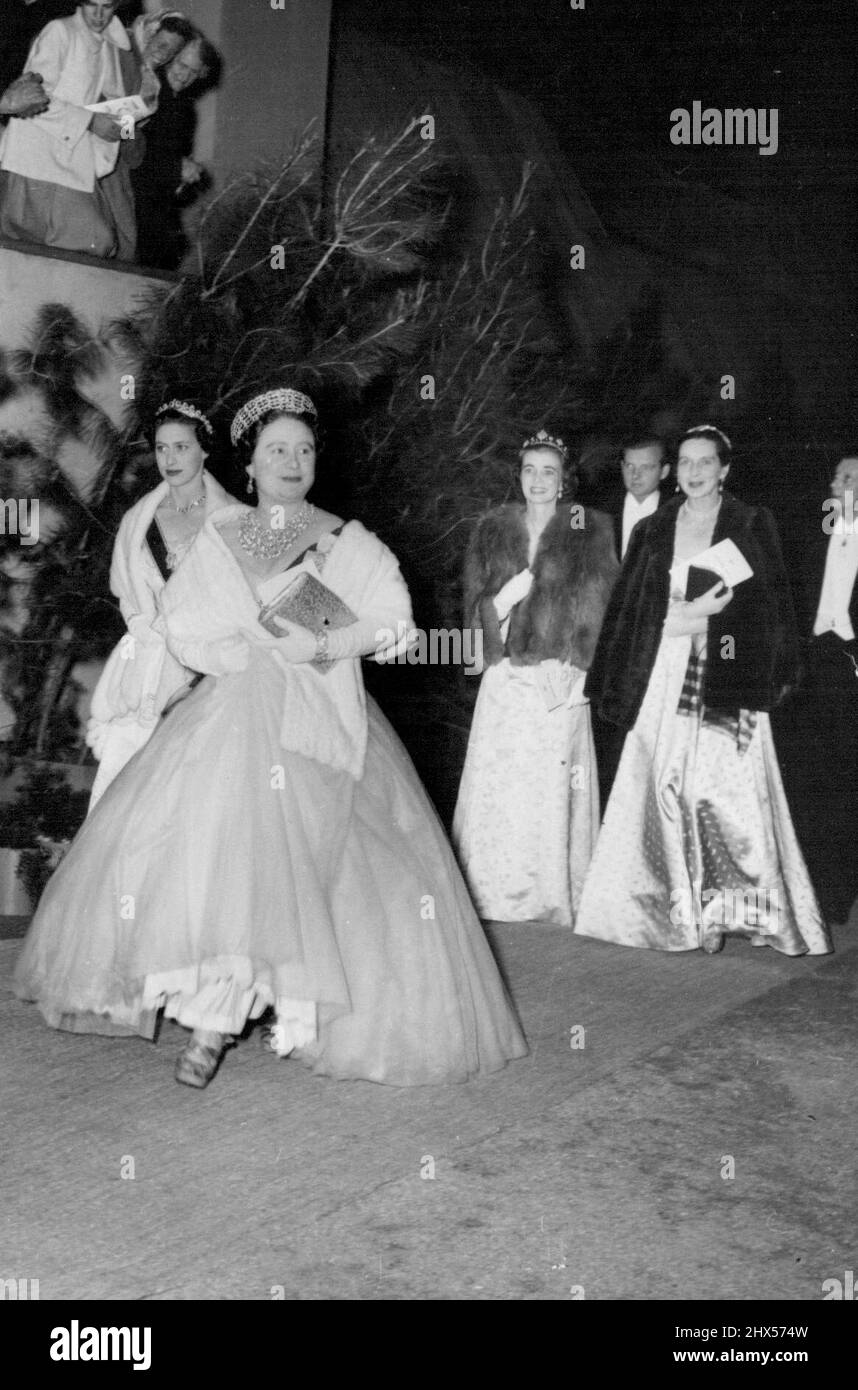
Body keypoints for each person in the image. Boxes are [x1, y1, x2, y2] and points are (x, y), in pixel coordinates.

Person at [14, 387, 527, 1089]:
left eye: (305, 450)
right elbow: (187, 628)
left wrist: (318, 637)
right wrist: (239, 643)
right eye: (276, 450)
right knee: (218, 855)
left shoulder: (345, 540)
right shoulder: (224, 536)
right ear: (249, 468)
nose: (293, 461)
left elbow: (396, 629)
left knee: (312, 870)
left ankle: (253, 1015)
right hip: (232, 716)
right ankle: (208, 1016)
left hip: (318, 719)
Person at [573, 424, 831, 957]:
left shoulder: (750, 523)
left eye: (705, 463)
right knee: (660, 785)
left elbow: (774, 611)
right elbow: (631, 612)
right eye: (686, 462)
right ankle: (666, 914)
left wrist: (720, 628)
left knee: (727, 797)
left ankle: (738, 913)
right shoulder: (654, 527)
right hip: (662, 673)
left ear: (724, 469)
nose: (693, 472)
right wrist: (687, 617)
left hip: (728, 675)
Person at [452, 429, 619, 927]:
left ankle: (550, 893)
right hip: (505, 678)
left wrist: (578, 670)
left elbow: (602, 606)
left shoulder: (589, 527)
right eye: (529, 470)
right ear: (519, 476)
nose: (538, 480)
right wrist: (499, 603)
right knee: (502, 781)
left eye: (549, 471)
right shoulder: (492, 527)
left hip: (557, 680)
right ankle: (494, 893)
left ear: (564, 479)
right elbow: (472, 602)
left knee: (550, 783)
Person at [86, 400, 233, 806]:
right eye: (162, 448)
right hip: (144, 676)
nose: (169, 458)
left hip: (206, 675)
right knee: (121, 806)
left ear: (204, 449)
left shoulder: (234, 520)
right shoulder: (138, 519)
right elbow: (125, 590)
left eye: (182, 447)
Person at [772, 454, 858, 924]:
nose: (834, 481)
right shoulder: (810, 536)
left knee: (846, 783)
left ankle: (838, 894)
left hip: (850, 667)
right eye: (835, 474)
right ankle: (808, 891)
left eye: (846, 477)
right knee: (805, 781)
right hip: (810, 668)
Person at [0, 2, 137, 259]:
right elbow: (33, 96)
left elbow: (121, 102)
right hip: (38, 160)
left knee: (101, 244)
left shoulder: (108, 44)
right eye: (92, 5)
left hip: (74, 163)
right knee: (92, 241)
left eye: (107, 7)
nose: (98, 15)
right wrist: (91, 122)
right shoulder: (59, 31)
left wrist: (126, 131)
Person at [594, 431, 672, 801]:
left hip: (654, 643)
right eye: (630, 466)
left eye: (647, 467)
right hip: (603, 643)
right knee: (605, 742)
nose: (636, 474)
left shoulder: (679, 515)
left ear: (665, 470)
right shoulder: (596, 512)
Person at [131, 34, 215, 269]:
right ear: (169, 59)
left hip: (158, 208)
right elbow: (127, 148)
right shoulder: (146, 90)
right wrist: (178, 167)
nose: (185, 75)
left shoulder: (186, 111)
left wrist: (184, 173)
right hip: (132, 205)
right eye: (181, 65)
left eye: (193, 71)